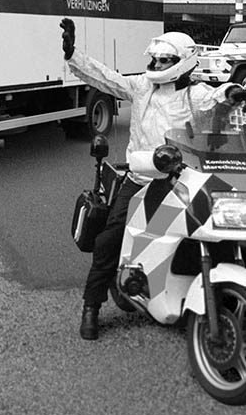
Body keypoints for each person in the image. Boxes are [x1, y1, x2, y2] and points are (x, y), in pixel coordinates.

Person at [60, 17, 246, 341]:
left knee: (212, 228)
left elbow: (219, 97)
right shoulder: (141, 87)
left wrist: (233, 92)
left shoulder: (196, 94)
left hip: (179, 177)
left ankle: (196, 289)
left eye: (165, 60)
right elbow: (106, 78)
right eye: (155, 59)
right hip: (139, 177)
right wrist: (73, 53)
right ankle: (91, 306)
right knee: (108, 240)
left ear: (184, 62)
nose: (157, 64)